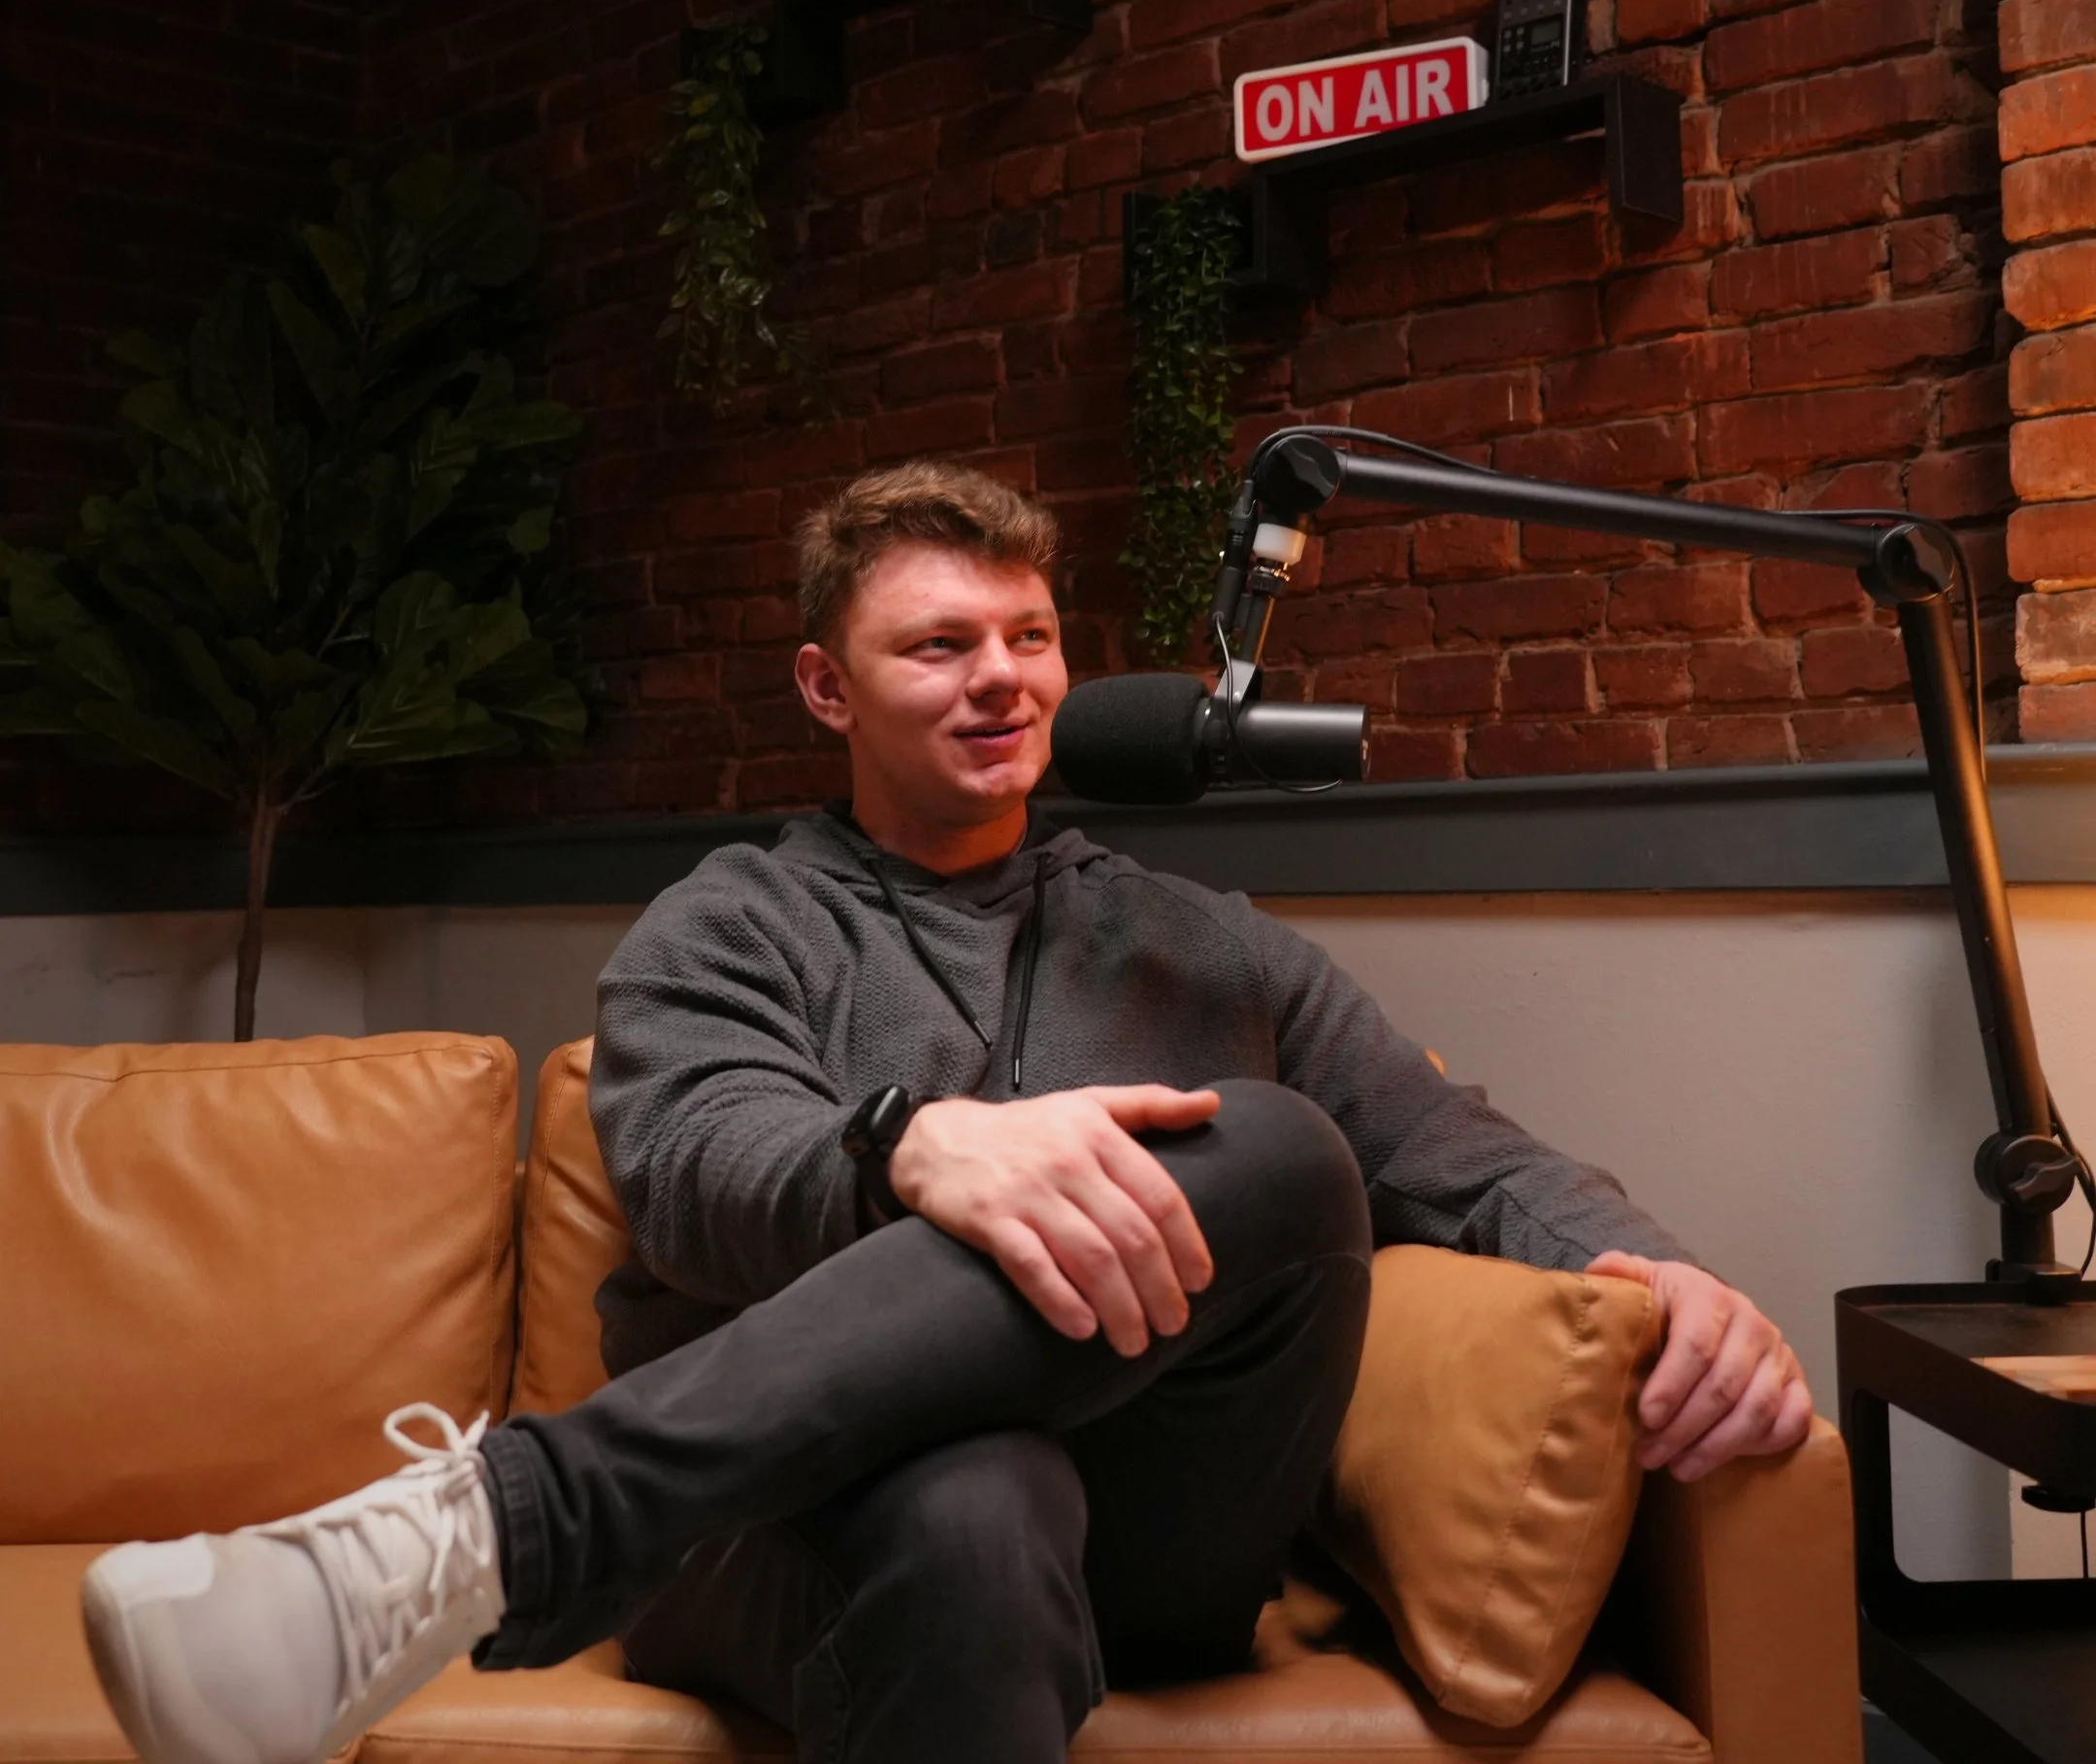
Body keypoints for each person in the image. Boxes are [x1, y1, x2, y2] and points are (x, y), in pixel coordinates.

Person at [81, 460, 1813, 1764]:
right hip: (781, 1532)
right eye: (938, 645)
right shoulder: (729, 921)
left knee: (1281, 1144)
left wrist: (1660, 1274)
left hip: (1161, 1524)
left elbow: (1462, 1156)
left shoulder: (1203, 945)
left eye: (1030, 636)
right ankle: (539, 1524)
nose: (1003, 678)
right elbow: (691, 1173)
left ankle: (505, 1526)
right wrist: (906, 1141)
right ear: (829, 689)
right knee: (972, 1501)